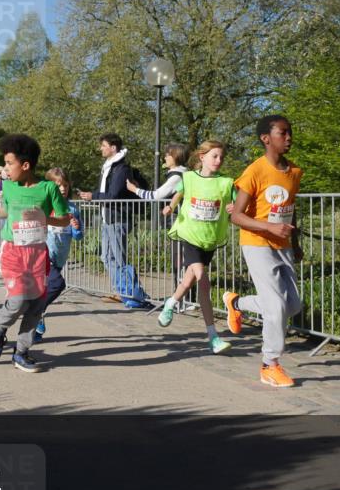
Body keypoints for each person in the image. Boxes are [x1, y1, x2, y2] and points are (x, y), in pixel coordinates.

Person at [0, 135, 75, 372]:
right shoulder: (9, 187)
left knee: (36, 305)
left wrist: (45, 219)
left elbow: (65, 219)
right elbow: (5, 210)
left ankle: (21, 353)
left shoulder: (49, 189)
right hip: (13, 251)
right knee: (17, 300)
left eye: (9, 163)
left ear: (25, 165)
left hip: (38, 254)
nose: (5, 169)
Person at [224, 115, 304, 388]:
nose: (289, 137)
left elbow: (291, 210)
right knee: (276, 306)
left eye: (290, 132)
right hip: (256, 243)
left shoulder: (294, 172)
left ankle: (236, 303)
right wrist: (268, 227)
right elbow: (237, 216)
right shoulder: (254, 171)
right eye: (283, 133)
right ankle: (270, 364)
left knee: (292, 305)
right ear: (266, 138)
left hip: (283, 245)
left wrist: (296, 243)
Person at [156, 141, 236, 355]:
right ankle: (213, 337)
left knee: (189, 279)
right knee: (202, 279)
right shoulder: (189, 177)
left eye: (221, 157)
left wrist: (234, 207)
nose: (218, 161)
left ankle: (170, 304)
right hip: (190, 235)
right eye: (214, 156)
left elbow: (237, 204)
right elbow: (179, 193)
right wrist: (171, 207)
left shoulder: (227, 183)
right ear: (202, 157)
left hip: (209, 239)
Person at [78, 133, 149, 308]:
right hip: (107, 218)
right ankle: (123, 291)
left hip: (118, 218)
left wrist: (92, 196)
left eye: (103, 145)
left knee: (118, 258)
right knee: (106, 256)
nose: (100, 148)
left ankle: (133, 294)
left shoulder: (121, 168)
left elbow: (113, 194)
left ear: (113, 148)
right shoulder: (109, 167)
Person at [36, 167, 84, 343]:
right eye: (58, 185)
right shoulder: (45, 206)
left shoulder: (72, 208)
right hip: (43, 254)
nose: (62, 188)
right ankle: (37, 311)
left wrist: (76, 228)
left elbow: (78, 236)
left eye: (65, 185)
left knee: (44, 290)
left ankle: (34, 324)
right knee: (57, 284)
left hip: (59, 258)